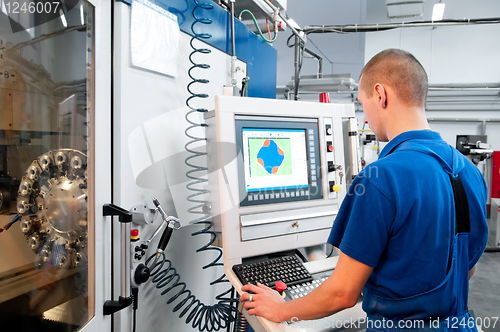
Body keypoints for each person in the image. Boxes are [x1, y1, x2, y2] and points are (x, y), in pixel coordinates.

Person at [239, 49, 489, 331]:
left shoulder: (381, 177)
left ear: (380, 94)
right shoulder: (469, 172)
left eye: (363, 102)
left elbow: (342, 293)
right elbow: (466, 268)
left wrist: (281, 309)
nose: (365, 117)